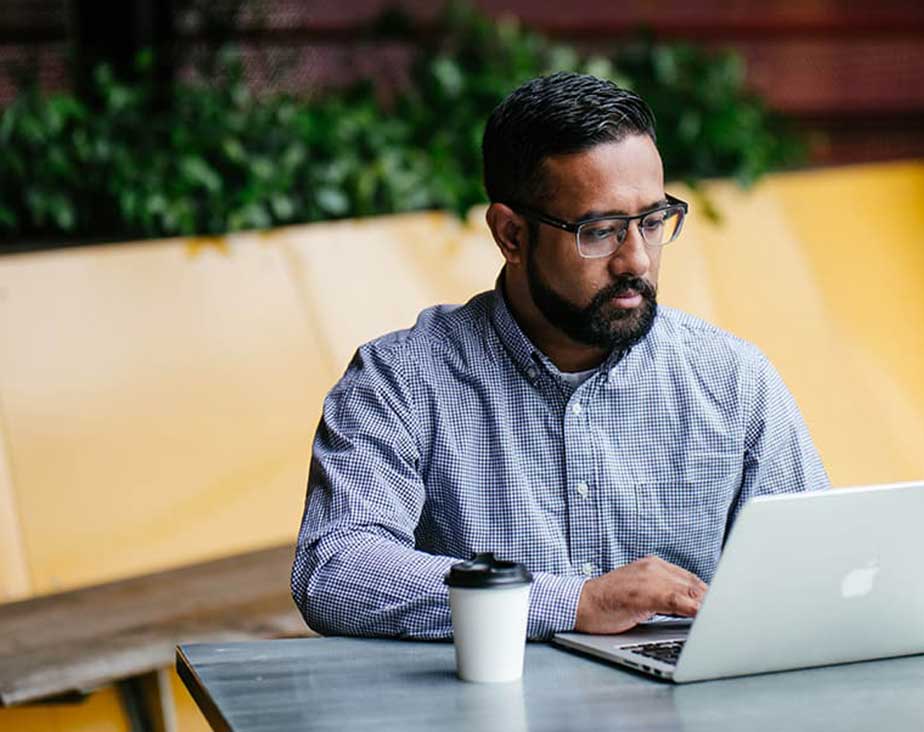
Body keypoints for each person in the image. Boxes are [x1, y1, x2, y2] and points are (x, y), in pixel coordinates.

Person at [291, 72, 831, 641]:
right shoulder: (401, 379)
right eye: (600, 231)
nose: (637, 261)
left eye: (652, 222)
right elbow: (334, 571)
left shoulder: (734, 381)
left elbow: (818, 570)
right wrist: (572, 603)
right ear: (512, 235)